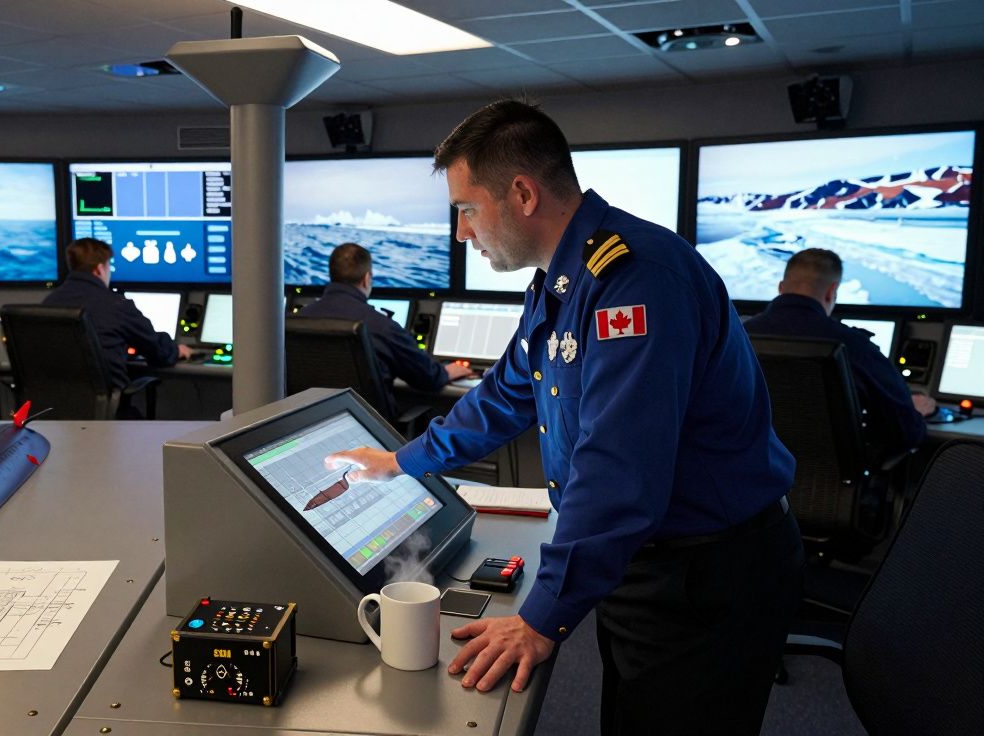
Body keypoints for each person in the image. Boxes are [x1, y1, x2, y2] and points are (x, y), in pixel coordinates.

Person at [326, 100, 802, 735]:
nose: (463, 233)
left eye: (467, 209)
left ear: (521, 193)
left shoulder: (633, 282)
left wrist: (539, 616)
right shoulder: (563, 282)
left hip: (707, 576)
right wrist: (400, 460)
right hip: (650, 561)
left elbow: (618, 471)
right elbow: (505, 394)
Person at [744, 248, 930, 453]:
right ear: (832, 292)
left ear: (780, 287)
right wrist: (916, 413)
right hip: (831, 481)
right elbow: (907, 433)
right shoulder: (853, 345)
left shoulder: (740, 336)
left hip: (752, 475)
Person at [297, 242, 472, 410]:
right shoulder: (381, 326)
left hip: (312, 423)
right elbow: (427, 379)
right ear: (366, 279)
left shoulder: (298, 320)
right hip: (370, 429)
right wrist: (448, 371)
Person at [42, 237, 190, 390]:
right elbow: (158, 352)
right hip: (106, 408)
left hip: (55, 406)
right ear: (99, 269)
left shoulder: (49, 302)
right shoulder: (116, 305)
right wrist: (177, 350)